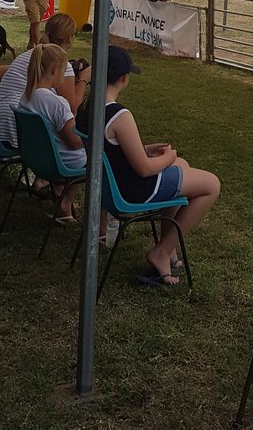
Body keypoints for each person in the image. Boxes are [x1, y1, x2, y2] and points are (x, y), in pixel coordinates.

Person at [94, 46, 220, 287]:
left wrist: (146, 149)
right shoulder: (119, 115)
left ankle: (168, 247)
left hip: (111, 185)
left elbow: (113, 147)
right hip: (133, 189)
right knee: (211, 185)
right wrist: (168, 157)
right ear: (124, 78)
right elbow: (144, 169)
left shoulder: (89, 108)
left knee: (184, 166)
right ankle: (161, 252)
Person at [0, 13, 89, 148]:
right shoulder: (59, 65)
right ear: (70, 38)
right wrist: (83, 79)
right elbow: (72, 110)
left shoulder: (28, 55)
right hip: (13, 133)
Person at [18, 43, 86, 218]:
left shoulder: (26, 97)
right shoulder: (57, 103)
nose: (64, 76)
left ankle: (60, 195)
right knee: (101, 154)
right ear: (54, 69)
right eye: (64, 72)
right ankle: (66, 204)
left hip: (36, 159)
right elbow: (74, 142)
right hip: (61, 162)